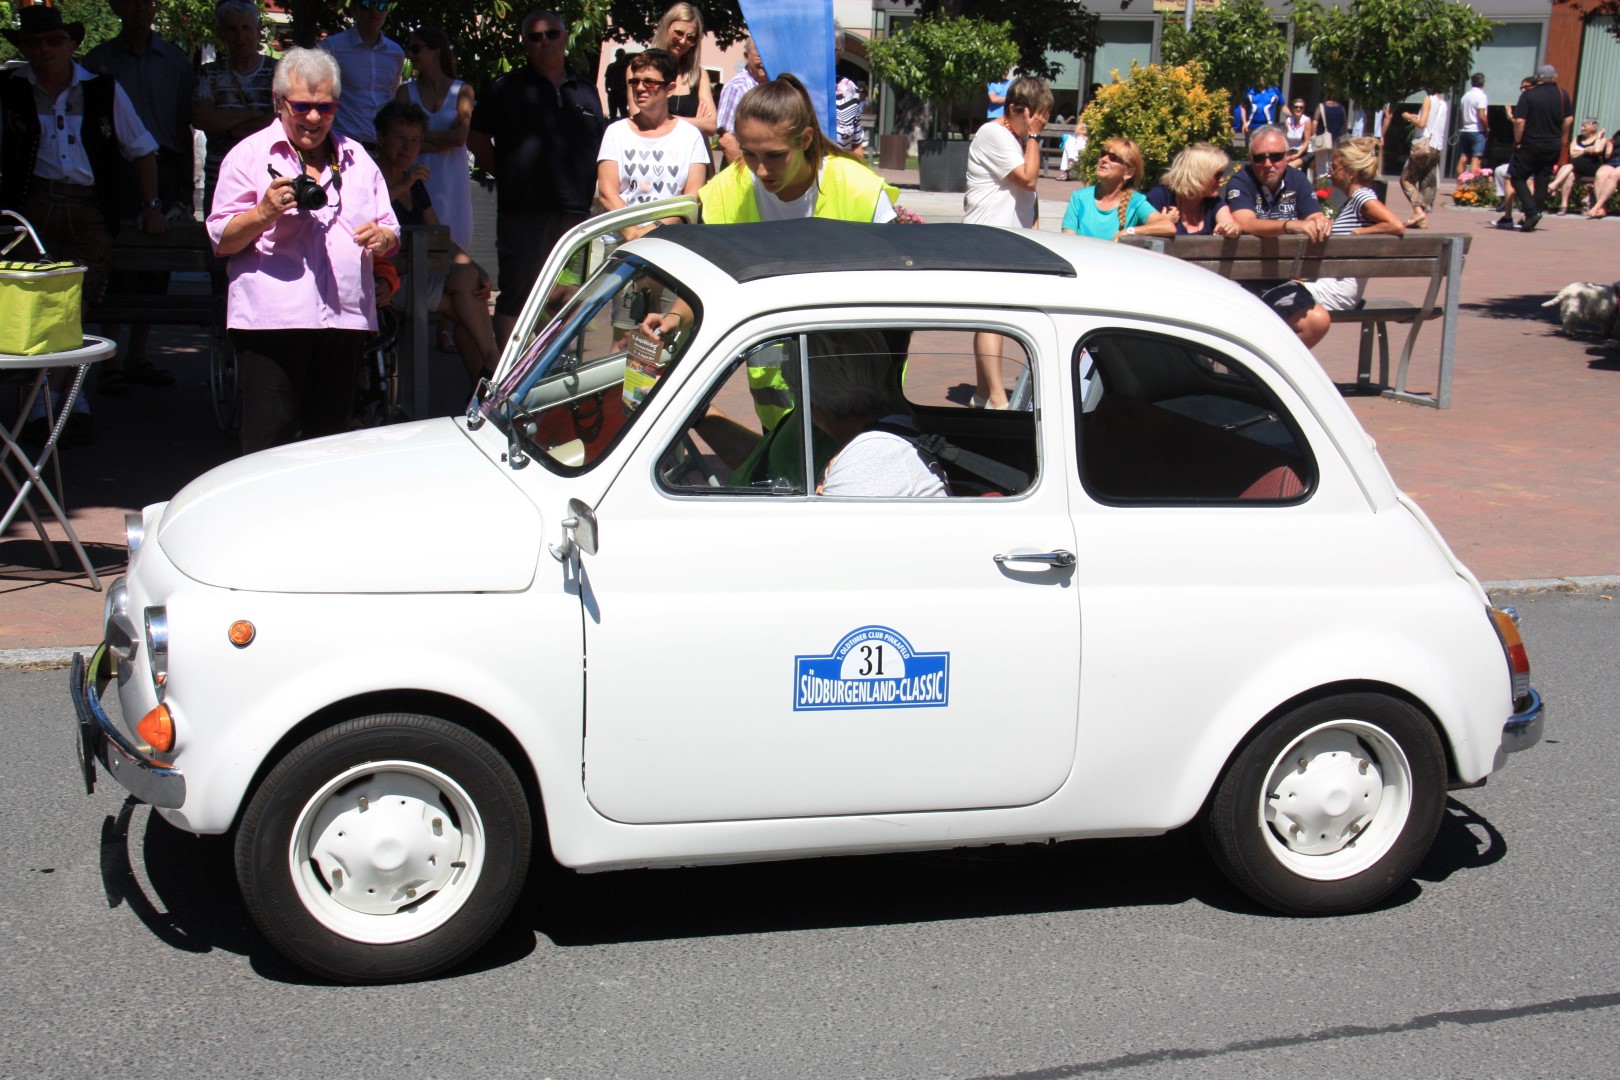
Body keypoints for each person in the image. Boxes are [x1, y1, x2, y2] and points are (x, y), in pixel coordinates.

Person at [207, 47, 399, 454]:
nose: (314, 117)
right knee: (268, 441)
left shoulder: (356, 157)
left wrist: (385, 238)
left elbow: (391, 228)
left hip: (344, 318)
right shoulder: (248, 155)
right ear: (279, 103)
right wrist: (263, 212)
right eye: (302, 106)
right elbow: (221, 239)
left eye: (325, 107)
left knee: (328, 441)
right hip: (274, 320)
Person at [0, 3, 167, 446]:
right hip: (32, 205)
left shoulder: (102, 90)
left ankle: (61, 398)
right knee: (32, 305)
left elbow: (142, 149)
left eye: (54, 41)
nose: (45, 50)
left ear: (72, 45)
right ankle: (50, 402)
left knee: (77, 304)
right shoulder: (10, 90)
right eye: (34, 43)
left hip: (89, 208)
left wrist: (151, 204)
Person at [468, 10, 605, 350]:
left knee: (566, 297)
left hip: (574, 213)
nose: (544, 42)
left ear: (565, 37)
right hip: (522, 213)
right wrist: (509, 175)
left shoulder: (586, 91)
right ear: (525, 44)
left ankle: (552, 373)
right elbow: (477, 139)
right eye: (535, 36)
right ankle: (508, 375)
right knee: (517, 296)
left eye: (551, 34)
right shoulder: (505, 88)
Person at [83, 0, 195, 395]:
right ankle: (109, 359)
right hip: (115, 170)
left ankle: (139, 356)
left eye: (146, 1)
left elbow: (184, 125)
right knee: (115, 263)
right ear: (115, 6)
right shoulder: (98, 61)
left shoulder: (177, 61)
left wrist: (184, 184)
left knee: (156, 266)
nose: (137, 9)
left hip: (163, 167)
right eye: (129, 1)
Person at [373, 101, 496, 389]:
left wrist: (479, 268)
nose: (407, 148)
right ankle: (493, 373)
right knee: (464, 303)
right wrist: (405, 183)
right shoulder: (369, 175)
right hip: (384, 284)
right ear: (381, 137)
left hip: (417, 278)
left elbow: (439, 235)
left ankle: (485, 378)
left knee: (468, 290)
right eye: (400, 138)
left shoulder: (414, 183)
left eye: (415, 141)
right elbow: (370, 211)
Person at [697, 74, 899, 225]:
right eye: (748, 153)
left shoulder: (860, 189)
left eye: (775, 155)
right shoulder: (723, 191)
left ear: (805, 139)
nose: (761, 170)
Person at [963, 75, 1051, 409]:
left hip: (1007, 240)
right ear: (1014, 109)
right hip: (988, 239)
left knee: (996, 317)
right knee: (993, 318)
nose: (1038, 125)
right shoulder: (993, 134)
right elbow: (1028, 179)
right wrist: (1033, 137)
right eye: (1034, 117)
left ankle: (984, 392)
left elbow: (1028, 195)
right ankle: (998, 400)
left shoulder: (1016, 138)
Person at [1224, 125, 1332, 347]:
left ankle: (1262, 374)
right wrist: (1290, 224)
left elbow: (1314, 216)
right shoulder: (1240, 181)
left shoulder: (1297, 180)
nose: (1268, 164)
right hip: (1241, 281)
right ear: (1250, 158)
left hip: (1281, 280)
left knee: (1317, 321)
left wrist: (1320, 222)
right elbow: (1246, 223)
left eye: (1275, 156)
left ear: (1288, 155)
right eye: (1259, 158)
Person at [596, 48, 709, 240]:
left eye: (649, 82)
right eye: (634, 81)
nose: (639, 88)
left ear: (670, 89)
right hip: (619, 241)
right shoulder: (616, 132)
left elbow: (692, 198)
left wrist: (651, 230)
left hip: (670, 241)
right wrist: (632, 233)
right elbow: (607, 194)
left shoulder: (690, 136)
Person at [193, 0, 277, 217]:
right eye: (232, 29)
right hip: (219, 178)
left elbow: (281, 121)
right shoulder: (208, 73)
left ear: (258, 31)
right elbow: (202, 119)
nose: (240, 36)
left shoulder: (278, 71)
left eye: (246, 28)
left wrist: (227, 126)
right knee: (219, 245)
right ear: (222, 34)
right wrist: (253, 114)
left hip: (268, 180)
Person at [1304, 136, 1405, 314]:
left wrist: (1360, 232)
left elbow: (1396, 225)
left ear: (1351, 172)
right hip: (1335, 285)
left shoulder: (1362, 196)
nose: (1329, 172)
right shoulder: (1353, 199)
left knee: (1276, 299)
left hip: (1339, 290)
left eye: (1334, 167)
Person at [395, 28, 474, 250]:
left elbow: (459, 138)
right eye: (409, 49)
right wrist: (441, 140)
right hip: (415, 186)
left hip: (452, 189)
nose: (411, 55)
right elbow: (399, 140)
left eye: (416, 48)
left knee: (455, 256)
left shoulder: (463, 91)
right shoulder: (404, 93)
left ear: (436, 52)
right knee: (417, 257)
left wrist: (419, 139)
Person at [321, 0, 405, 151]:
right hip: (343, 145)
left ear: (387, 11)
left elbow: (390, 97)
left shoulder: (396, 53)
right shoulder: (332, 47)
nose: (374, 11)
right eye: (367, 4)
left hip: (383, 148)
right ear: (355, 9)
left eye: (381, 5)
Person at [1500, 64, 1573, 232]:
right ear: (1555, 77)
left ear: (1537, 78)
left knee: (1517, 177)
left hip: (1530, 143)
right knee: (1542, 178)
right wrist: (1561, 138)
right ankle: (1535, 213)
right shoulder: (1563, 95)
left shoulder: (1529, 95)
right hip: (1552, 144)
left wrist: (1518, 140)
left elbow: (1519, 121)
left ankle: (1532, 212)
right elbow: (1568, 120)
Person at [1060, 138, 1168, 241]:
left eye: (1113, 157)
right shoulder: (1079, 198)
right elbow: (1069, 240)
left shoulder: (1136, 202)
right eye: (1103, 154)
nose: (1104, 159)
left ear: (1128, 173)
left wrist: (1129, 231)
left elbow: (1167, 226)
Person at [640, 3, 715, 138]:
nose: (682, 41)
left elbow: (710, 126)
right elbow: (641, 121)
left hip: (691, 155)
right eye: (679, 32)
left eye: (690, 38)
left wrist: (663, 119)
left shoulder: (699, 75)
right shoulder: (640, 69)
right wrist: (696, 122)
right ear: (666, 27)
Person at [1142, 143, 1242, 237]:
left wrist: (1233, 229)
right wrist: (1161, 225)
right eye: (1217, 175)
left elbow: (1229, 223)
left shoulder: (1214, 203)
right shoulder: (1160, 196)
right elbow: (1137, 231)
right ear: (1198, 175)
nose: (1222, 179)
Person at [1398, 88, 1448, 228]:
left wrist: (1407, 116)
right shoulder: (1443, 103)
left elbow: (1422, 124)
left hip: (1424, 146)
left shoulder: (1428, 99)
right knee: (1428, 183)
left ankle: (1418, 211)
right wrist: (1417, 117)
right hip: (1436, 147)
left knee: (1406, 180)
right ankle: (1423, 219)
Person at [716, 35, 766, 165]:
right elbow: (727, 139)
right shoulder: (737, 87)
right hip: (742, 168)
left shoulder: (776, 84)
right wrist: (746, 177)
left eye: (770, 55)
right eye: (760, 56)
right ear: (746, 56)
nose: (765, 61)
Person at [1547, 118, 1609, 214]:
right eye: (1582, 126)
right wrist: (1585, 151)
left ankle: (1554, 185)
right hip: (1576, 169)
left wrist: (1598, 137)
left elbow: (1597, 150)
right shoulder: (1578, 138)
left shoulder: (1602, 139)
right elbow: (1572, 154)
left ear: (1594, 127)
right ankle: (1564, 206)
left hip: (1592, 168)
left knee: (1569, 166)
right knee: (1569, 175)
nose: (1581, 128)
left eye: (1585, 126)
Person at [1457, 73, 1488, 177]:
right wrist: (1487, 127)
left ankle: (1459, 185)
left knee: (1463, 157)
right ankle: (1472, 186)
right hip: (1477, 130)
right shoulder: (1481, 96)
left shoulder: (1465, 96)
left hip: (1465, 129)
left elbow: (1461, 115)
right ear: (1483, 83)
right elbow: (1482, 115)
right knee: (1476, 158)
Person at [1283, 98, 1313, 170]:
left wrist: (1298, 155)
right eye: (1296, 107)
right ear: (1292, 109)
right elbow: (1285, 140)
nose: (1298, 109)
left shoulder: (1306, 121)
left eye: (1301, 107)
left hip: (1303, 152)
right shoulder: (1288, 120)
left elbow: (1307, 141)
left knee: (1291, 167)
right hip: (1291, 152)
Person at [603, 48, 630, 120]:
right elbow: (607, 78)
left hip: (622, 93)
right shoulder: (611, 66)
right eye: (619, 55)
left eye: (621, 55)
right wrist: (606, 89)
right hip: (613, 92)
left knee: (623, 112)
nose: (620, 56)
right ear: (616, 55)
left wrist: (626, 91)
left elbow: (629, 80)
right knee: (612, 113)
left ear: (624, 56)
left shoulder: (627, 67)